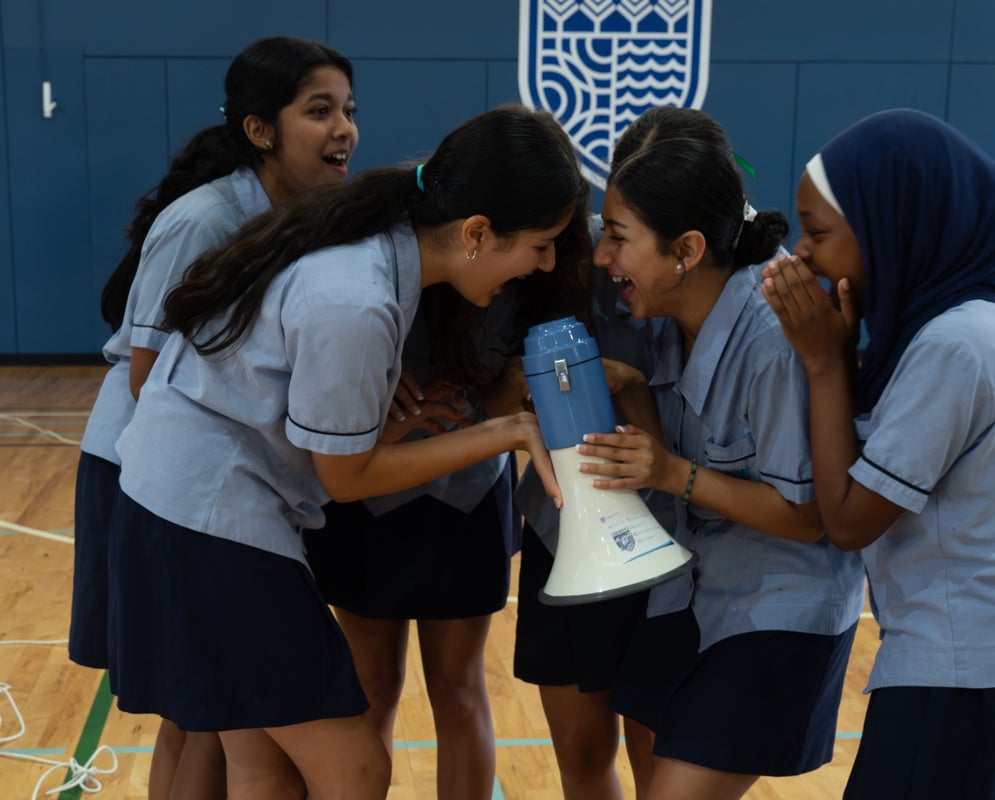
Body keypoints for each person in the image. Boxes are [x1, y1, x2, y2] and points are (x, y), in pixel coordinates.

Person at [106, 105, 591, 798]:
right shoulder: (360, 299)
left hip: (177, 505)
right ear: (478, 232)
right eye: (541, 244)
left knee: (257, 762)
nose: (545, 262)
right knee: (355, 766)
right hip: (212, 522)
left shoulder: (371, 250)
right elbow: (349, 480)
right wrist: (504, 431)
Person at [759, 108, 995, 798]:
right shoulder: (992, 309)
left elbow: (847, 522)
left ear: (893, 227)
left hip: (970, 683)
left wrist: (823, 364)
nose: (802, 254)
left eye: (817, 234)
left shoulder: (952, 345)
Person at [72, 35, 357, 799]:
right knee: (197, 711)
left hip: (205, 479)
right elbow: (146, 375)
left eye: (349, 111)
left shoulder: (296, 214)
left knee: (208, 712)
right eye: (319, 110)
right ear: (261, 129)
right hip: (141, 469)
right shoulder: (205, 220)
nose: (344, 130)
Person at [576, 106, 866, 800]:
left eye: (618, 237)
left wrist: (670, 471)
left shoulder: (773, 338)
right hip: (697, 596)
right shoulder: (674, 315)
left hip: (779, 613)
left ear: (687, 250)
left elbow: (807, 517)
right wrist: (636, 401)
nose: (602, 256)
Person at [302, 257, 591, 800]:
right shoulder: (382, 265)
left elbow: (515, 397)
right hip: (369, 488)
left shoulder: (539, 276)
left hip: (467, 494)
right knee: (372, 688)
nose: (548, 254)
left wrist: (489, 398)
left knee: (458, 688)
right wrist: (381, 400)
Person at [511, 214, 668, 800]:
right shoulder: (545, 268)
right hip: (564, 530)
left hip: (672, 540)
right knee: (580, 751)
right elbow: (491, 394)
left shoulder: (729, 297)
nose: (606, 253)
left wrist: (629, 387)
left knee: (660, 754)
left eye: (620, 237)